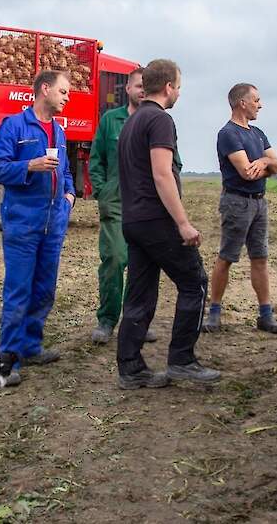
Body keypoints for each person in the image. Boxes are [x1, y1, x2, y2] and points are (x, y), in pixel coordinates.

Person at [115, 58, 220, 389]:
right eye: (179, 87)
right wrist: (183, 223)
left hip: (133, 220)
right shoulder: (160, 120)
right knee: (194, 282)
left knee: (140, 294)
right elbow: (162, 174)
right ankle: (182, 360)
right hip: (156, 220)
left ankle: (130, 368)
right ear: (169, 87)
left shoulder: (132, 121)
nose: (179, 94)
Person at [0, 70, 76, 386]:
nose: (67, 97)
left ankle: (31, 346)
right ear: (45, 89)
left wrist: (69, 197)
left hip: (53, 223)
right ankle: (7, 362)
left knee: (44, 290)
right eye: (63, 91)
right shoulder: (15, 126)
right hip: (23, 224)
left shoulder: (59, 131)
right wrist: (29, 165)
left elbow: (65, 172)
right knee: (19, 291)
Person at [203, 83, 277, 334]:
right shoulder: (228, 134)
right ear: (242, 103)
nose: (260, 105)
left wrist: (262, 161)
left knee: (260, 258)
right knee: (227, 256)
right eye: (256, 100)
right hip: (237, 202)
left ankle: (265, 315)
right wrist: (265, 164)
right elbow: (246, 173)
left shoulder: (258, 133)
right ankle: (214, 312)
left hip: (260, 202)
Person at [88, 67, 156, 345]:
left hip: (148, 205)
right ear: (127, 89)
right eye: (138, 86)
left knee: (144, 266)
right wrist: (103, 192)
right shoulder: (110, 120)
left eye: (146, 87)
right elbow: (96, 160)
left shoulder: (156, 120)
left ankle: (137, 321)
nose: (142, 90)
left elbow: (173, 163)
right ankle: (107, 320)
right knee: (115, 259)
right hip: (116, 202)